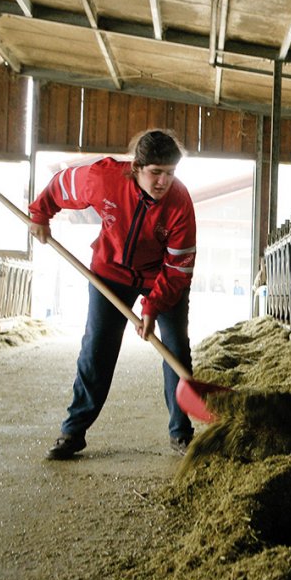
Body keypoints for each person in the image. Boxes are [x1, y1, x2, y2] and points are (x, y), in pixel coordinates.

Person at [28, 129, 197, 459]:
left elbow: (179, 268)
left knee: (175, 349)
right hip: (110, 272)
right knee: (97, 348)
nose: (164, 181)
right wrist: (39, 213)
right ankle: (73, 432)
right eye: (156, 172)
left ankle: (181, 433)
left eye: (171, 173)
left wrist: (152, 306)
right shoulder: (103, 178)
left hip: (160, 277)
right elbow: (62, 185)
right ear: (137, 167)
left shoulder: (180, 202)